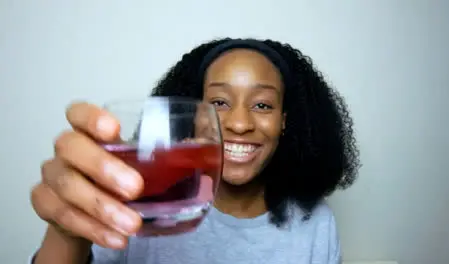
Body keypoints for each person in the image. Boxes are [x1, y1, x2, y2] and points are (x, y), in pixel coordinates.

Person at [30, 38, 360, 264]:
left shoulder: (315, 223)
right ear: (193, 117)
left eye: (262, 104)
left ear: (285, 122)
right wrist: (66, 234)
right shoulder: (145, 206)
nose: (240, 123)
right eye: (218, 102)